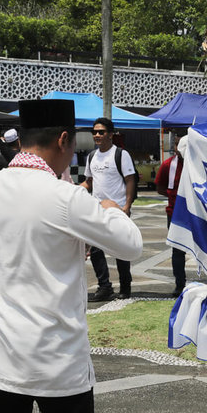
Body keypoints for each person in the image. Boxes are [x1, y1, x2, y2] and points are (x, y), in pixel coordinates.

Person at [0, 99, 142, 413]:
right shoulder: (66, 197)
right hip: (55, 347)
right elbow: (131, 245)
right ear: (62, 139)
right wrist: (109, 208)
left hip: (0, 344)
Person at [80, 117, 138, 301]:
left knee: (121, 250)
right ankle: (104, 287)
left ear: (110, 135)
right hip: (97, 210)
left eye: (101, 132)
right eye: (94, 132)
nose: (97, 135)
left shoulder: (120, 154)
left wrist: (126, 206)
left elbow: (130, 180)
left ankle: (125, 287)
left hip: (117, 210)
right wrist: (75, 189)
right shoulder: (91, 156)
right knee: (96, 250)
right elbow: (89, 181)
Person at [155, 135, 186, 297]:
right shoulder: (168, 165)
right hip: (175, 213)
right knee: (178, 251)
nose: (179, 148)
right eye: (177, 144)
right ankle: (180, 284)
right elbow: (160, 188)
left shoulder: (198, 164)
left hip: (197, 215)